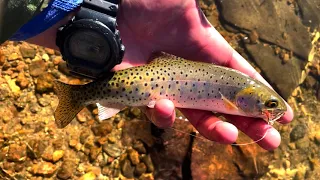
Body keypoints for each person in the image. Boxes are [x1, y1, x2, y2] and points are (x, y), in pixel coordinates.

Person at [0, 0, 293, 150]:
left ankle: (79, 95)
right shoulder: (237, 90)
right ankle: (77, 95)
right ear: (247, 98)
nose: (271, 110)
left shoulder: (239, 88)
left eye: (271, 107)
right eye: (269, 105)